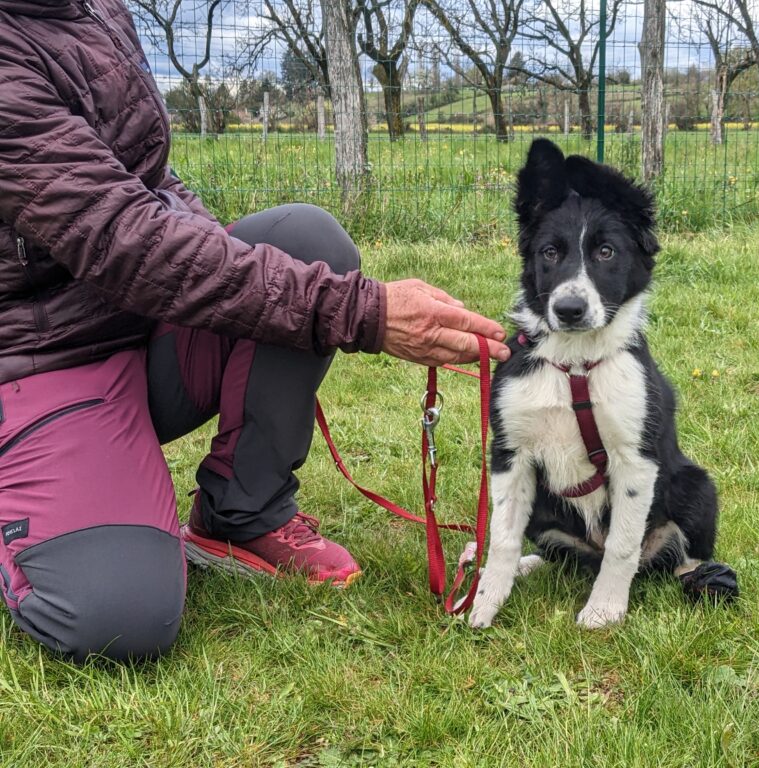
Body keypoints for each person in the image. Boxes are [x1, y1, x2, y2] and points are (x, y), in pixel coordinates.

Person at [0, 0, 511, 662]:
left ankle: (241, 515)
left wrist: (232, 272)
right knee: (118, 617)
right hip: (41, 361)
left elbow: (146, 182)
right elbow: (123, 239)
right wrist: (366, 313)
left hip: (138, 324)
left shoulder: (95, 9)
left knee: (304, 243)